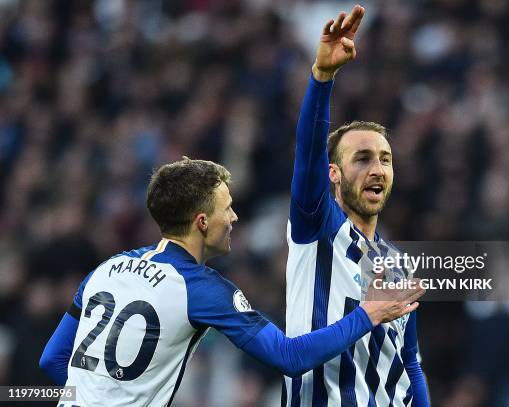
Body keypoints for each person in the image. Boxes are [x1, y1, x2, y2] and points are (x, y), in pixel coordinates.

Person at [39, 158, 424, 406]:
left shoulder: (106, 268)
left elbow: (53, 359)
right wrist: (368, 314)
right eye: (227, 208)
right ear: (202, 222)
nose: (236, 218)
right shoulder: (203, 289)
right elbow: (290, 358)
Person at [285, 5, 430, 406]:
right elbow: (308, 152)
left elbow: (411, 364)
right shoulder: (316, 226)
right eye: (362, 158)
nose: (377, 168)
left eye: (385, 158)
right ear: (333, 174)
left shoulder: (398, 263)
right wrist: (322, 78)